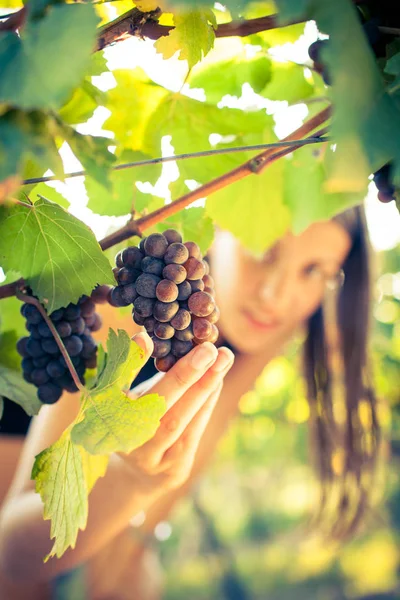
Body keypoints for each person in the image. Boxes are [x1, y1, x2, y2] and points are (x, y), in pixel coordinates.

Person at [0, 204, 379, 600]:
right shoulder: (126, 305)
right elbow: (13, 557)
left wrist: (134, 555)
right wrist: (133, 482)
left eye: (315, 270)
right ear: (217, 231)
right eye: (264, 249)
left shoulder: (261, 331)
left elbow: (156, 505)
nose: (276, 295)